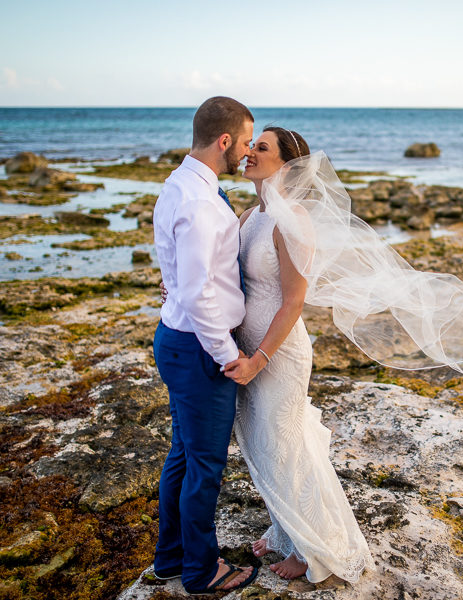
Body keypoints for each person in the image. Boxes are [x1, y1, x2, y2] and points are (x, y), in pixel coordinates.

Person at [223, 127, 375, 582]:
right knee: (267, 447)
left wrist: (258, 360)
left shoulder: (295, 223)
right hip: (250, 346)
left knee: (285, 447)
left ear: (286, 166)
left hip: (278, 354)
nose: (248, 153)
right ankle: (284, 529)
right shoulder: (251, 216)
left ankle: (316, 553)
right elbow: (219, 269)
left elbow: (293, 302)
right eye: (251, 145)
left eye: (260, 148)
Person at [151, 96, 258, 594]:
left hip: (177, 339)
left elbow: (181, 272)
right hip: (198, 349)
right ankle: (201, 571)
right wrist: (227, 356)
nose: (247, 151)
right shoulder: (198, 201)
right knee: (205, 468)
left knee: (183, 456)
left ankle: (170, 559)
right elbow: (197, 292)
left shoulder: (181, 185)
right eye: (244, 142)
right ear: (224, 141)